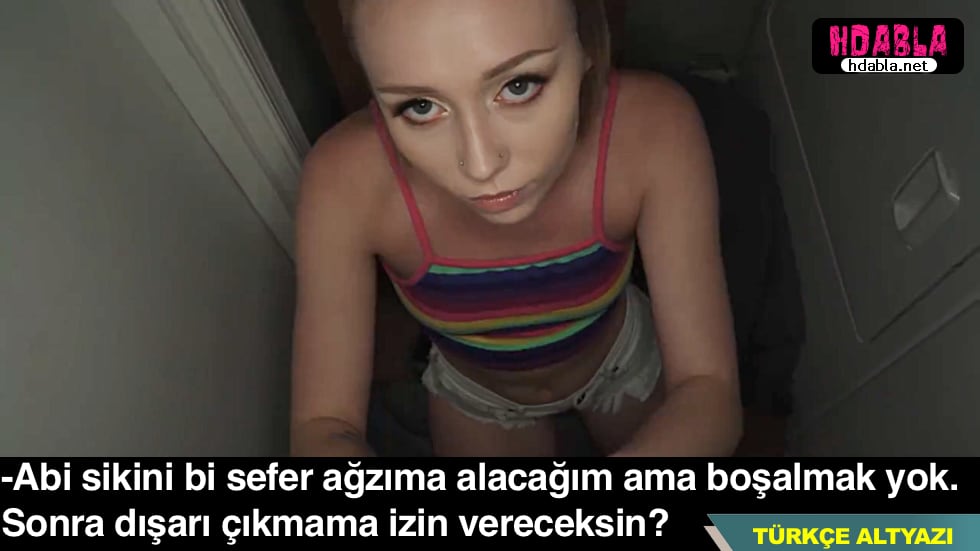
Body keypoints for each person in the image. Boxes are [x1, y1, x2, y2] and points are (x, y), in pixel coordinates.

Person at [289, 0, 743, 457]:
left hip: (620, 362)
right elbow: (322, 424)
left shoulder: (653, 129)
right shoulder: (344, 181)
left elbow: (708, 389)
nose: (481, 165)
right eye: (420, 107)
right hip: (477, 396)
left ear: (587, 43)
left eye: (519, 86)